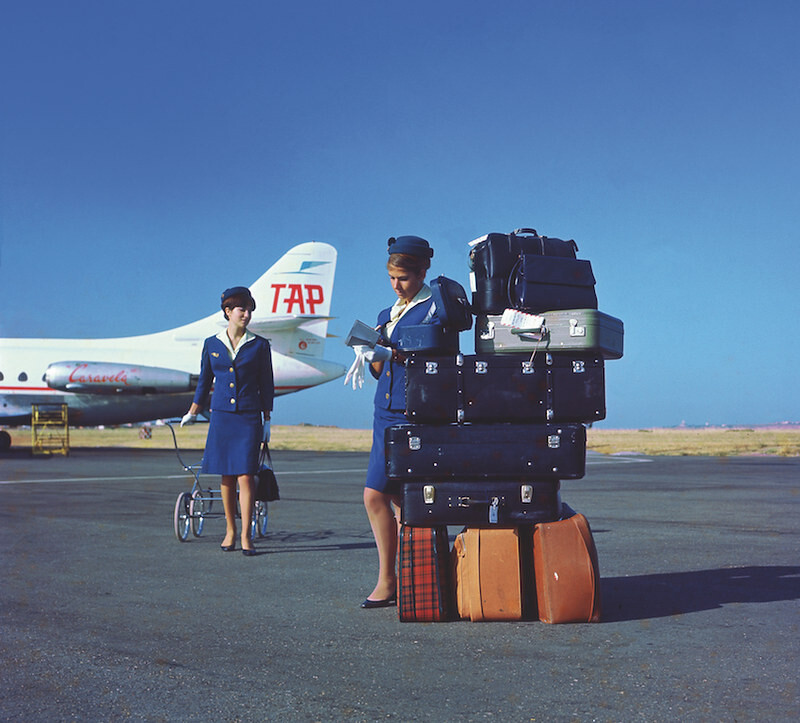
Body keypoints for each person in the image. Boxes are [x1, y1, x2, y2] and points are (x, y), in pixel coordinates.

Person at [346, 235, 437, 608]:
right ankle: (400, 578)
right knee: (393, 497)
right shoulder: (388, 314)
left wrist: (393, 351)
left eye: (402, 278)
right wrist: (368, 350)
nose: (396, 286)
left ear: (421, 272)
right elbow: (380, 368)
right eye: (391, 278)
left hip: (413, 413)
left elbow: (435, 360)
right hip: (383, 410)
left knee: (381, 496)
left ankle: (391, 579)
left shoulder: (435, 309)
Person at [181, 286, 274, 556]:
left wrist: (267, 418)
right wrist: (193, 410)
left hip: (248, 417)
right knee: (227, 476)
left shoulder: (259, 345)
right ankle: (230, 531)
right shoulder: (212, 343)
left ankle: (246, 534)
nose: (246, 314)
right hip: (221, 416)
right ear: (228, 312)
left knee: (246, 476)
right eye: (241, 309)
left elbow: (266, 384)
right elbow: (204, 380)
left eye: (249, 310)